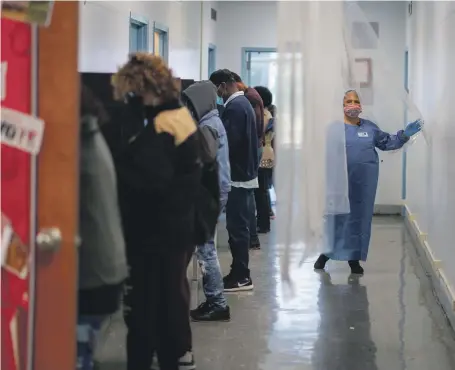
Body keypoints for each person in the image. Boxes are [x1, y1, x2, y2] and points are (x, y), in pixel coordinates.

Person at [111, 53, 200, 370]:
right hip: (174, 233)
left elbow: (151, 180)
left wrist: (118, 170)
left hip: (156, 239)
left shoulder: (165, 125)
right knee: (163, 314)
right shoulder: (178, 117)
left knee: (147, 320)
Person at [314, 90, 423, 274]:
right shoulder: (334, 129)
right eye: (349, 101)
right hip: (340, 185)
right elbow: (325, 155)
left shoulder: (370, 128)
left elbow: (388, 142)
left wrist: (405, 134)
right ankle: (325, 255)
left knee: (359, 220)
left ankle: (354, 259)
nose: (353, 104)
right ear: (343, 106)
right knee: (336, 220)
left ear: (361, 106)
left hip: (364, 185)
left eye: (356, 101)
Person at [77, 85, 128, 370]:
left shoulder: (79, 150)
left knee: (79, 354)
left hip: (93, 276)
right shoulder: (93, 137)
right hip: (104, 271)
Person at [181, 81, 232, 321]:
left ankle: (217, 302)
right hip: (218, 190)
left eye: (190, 104)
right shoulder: (213, 121)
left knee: (205, 249)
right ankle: (215, 300)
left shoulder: (207, 127)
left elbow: (204, 162)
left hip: (209, 193)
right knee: (206, 247)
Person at [209, 69, 259, 292]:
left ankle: (242, 276)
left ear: (222, 85)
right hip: (244, 174)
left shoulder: (236, 107)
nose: (216, 94)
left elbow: (229, 142)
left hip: (238, 176)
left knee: (237, 229)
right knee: (239, 227)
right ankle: (238, 271)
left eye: (216, 89)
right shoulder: (242, 104)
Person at [231, 72, 264, 249]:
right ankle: (252, 236)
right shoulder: (251, 95)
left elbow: (251, 126)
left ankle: (251, 237)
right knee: (249, 193)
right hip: (255, 147)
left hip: (252, 148)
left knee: (247, 194)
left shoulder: (248, 98)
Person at [254, 86, 276, 233]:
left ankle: (263, 223)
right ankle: (264, 220)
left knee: (261, 190)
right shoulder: (269, 114)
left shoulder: (264, 116)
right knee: (262, 190)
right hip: (268, 153)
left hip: (263, 154)